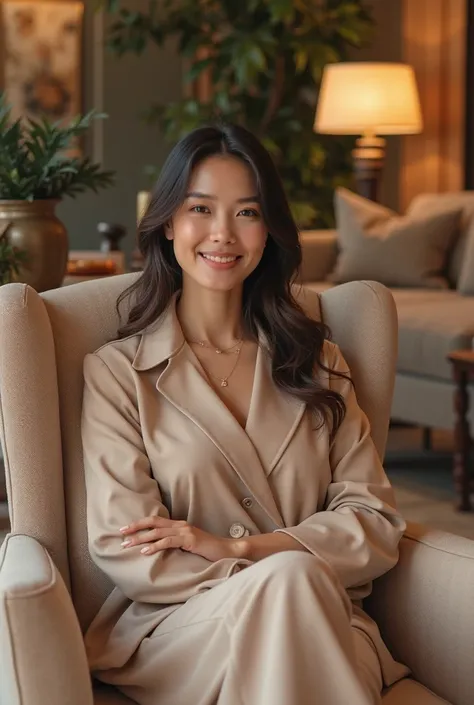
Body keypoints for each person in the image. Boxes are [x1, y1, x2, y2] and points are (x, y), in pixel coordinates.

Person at [81, 123, 409, 705]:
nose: (222, 234)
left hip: (329, 625)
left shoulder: (320, 362)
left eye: (247, 212)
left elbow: (375, 523)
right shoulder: (118, 374)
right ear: (167, 225)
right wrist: (283, 572)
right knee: (292, 582)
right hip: (186, 630)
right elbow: (127, 548)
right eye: (200, 208)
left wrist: (241, 549)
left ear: (269, 231)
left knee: (293, 587)